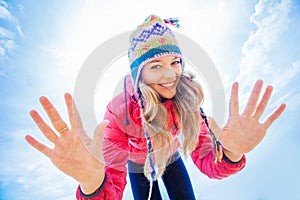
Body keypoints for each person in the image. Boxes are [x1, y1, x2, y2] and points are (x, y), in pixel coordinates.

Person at [25, 14, 286, 200]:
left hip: (170, 158)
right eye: (156, 66)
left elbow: (208, 159)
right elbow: (111, 186)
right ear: (139, 74)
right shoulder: (119, 113)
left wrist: (232, 153)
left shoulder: (186, 102)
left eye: (175, 62)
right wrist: (92, 183)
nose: (170, 74)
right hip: (138, 166)